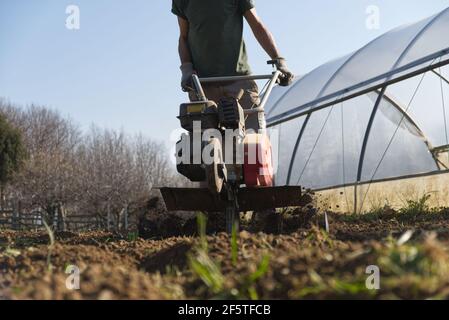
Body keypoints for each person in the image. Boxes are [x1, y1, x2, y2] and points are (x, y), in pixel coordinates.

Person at [172, 0, 294, 131]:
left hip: (239, 84)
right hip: (203, 88)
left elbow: (257, 25)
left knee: (253, 139)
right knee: (203, 144)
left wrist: (278, 60)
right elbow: (183, 37)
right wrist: (186, 69)